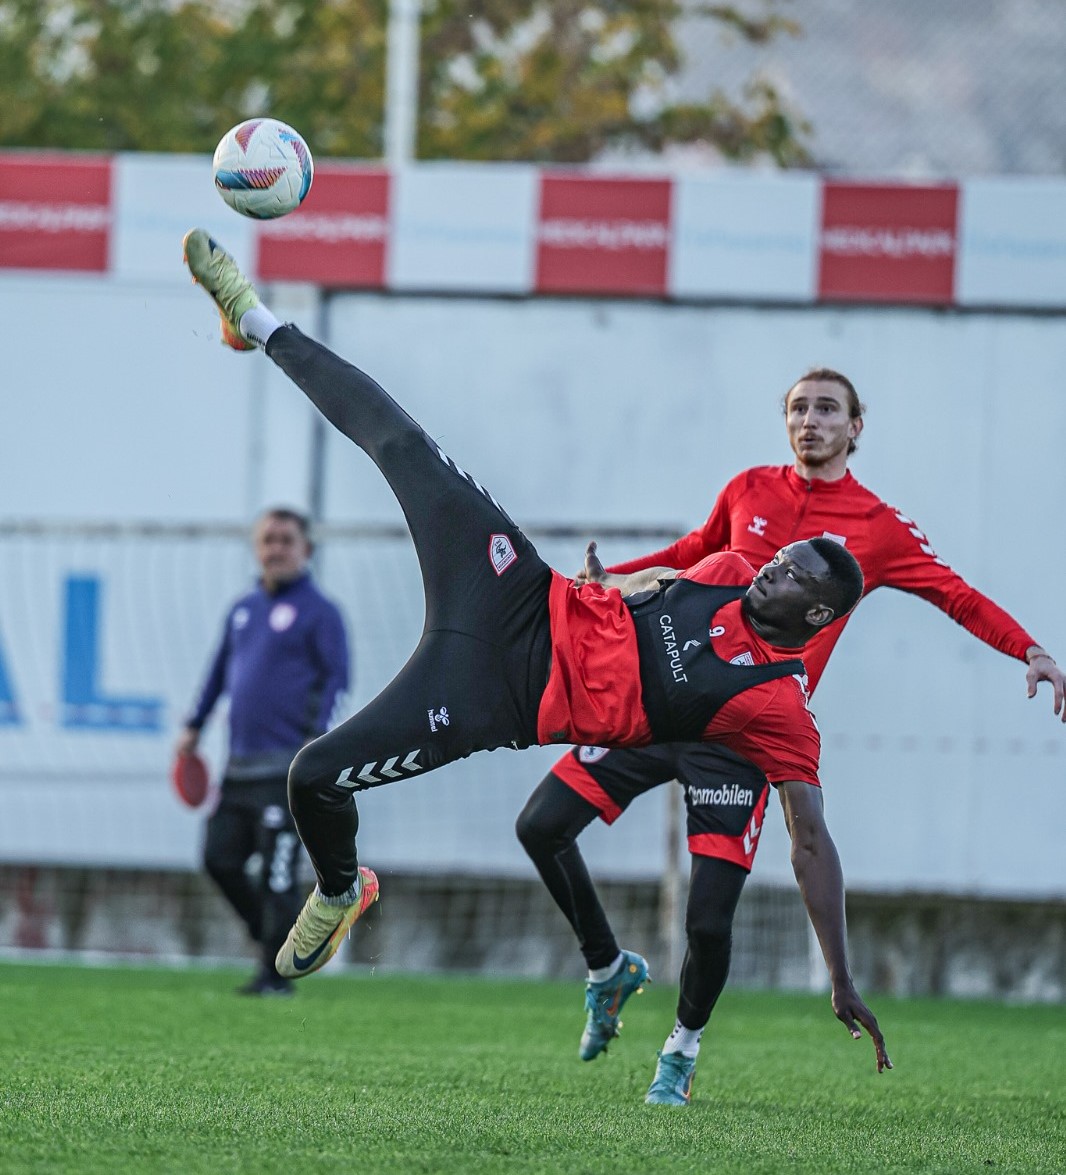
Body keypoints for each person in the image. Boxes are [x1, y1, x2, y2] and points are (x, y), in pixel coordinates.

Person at [180, 228, 889, 1078]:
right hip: (519, 592)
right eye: (775, 556)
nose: (768, 563)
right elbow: (663, 577)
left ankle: (339, 888)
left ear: (811, 612)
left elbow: (811, 841)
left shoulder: (778, 707)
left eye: (788, 573)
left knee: (313, 776)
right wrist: (614, 582)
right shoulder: (735, 566)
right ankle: (255, 319)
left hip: (499, 699)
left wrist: (842, 977)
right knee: (404, 448)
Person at [516, 367, 1065, 1104]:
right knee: (541, 824)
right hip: (662, 701)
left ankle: (680, 1052)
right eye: (799, 408)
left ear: (855, 427)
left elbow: (954, 592)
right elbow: (689, 556)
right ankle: (607, 966)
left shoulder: (878, 525)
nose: (811, 421)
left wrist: (1030, 649)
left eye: (827, 409)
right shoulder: (748, 488)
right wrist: (611, 578)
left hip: (742, 731)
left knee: (707, 922)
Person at [176, 506, 350, 996]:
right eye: (267, 540)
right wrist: (193, 726)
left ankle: (275, 977)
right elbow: (217, 674)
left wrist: (318, 744)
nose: (275, 548)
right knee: (219, 859)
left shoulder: (321, 612)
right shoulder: (242, 609)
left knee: (278, 879)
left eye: (285, 540)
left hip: (287, 773)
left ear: (306, 549)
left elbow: (337, 681)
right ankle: (276, 942)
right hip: (239, 770)